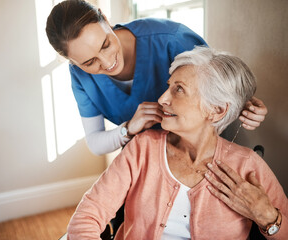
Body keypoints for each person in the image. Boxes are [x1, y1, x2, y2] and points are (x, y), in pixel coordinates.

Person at [66, 46, 287, 240]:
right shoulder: (142, 148)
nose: (162, 98)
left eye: (178, 89)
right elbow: (87, 216)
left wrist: (268, 217)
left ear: (216, 110)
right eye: (169, 85)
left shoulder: (247, 164)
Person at [46, 0, 268, 155]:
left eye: (105, 44)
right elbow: (94, 142)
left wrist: (242, 105)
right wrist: (129, 128)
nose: (106, 63)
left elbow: (219, 86)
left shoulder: (172, 40)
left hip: (200, 154)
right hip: (145, 160)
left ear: (105, 18)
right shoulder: (80, 76)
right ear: (72, 62)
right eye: (88, 62)